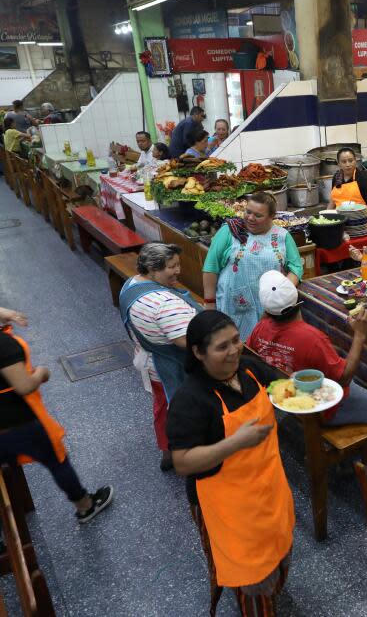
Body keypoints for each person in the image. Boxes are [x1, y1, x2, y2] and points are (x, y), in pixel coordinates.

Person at [166, 311, 294, 615]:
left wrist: (309, 390)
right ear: (198, 353)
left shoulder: (248, 371)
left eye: (236, 341)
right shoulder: (191, 399)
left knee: (280, 551)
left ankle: (273, 592)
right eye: (222, 347)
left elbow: (283, 387)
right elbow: (182, 462)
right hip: (226, 505)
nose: (234, 350)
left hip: (268, 485)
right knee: (250, 576)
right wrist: (235, 443)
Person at [248, 271, 367, 445]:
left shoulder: (260, 328)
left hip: (288, 397)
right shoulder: (312, 339)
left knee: (354, 376)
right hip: (323, 407)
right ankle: (359, 461)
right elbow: (345, 379)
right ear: (297, 299)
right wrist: (360, 335)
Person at [0, 307, 114, 523]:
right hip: (18, 422)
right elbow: (23, 386)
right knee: (57, 461)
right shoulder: (4, 345)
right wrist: (41, 373)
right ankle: (85, 506)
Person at [118, 243, 202, 471]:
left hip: (147, 359)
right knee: (178, 410)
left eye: (178, 264)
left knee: (162, 407)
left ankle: (167, 450)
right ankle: (185, 454)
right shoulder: (163, 303)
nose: (178, 271)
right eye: (171, 267)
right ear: (152, 269)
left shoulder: (131, 285)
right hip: (168, 367)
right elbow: (186, 342)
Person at [203, 192, 303, 340]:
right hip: (233, 305)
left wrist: (280, 293)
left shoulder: (282, 236)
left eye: (258, 215)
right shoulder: (229, 231)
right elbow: (211, 267)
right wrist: (209, 303)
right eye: (248, 212)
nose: (250, 218)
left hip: (269, 308)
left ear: (271, 217)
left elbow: (296, 268)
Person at [328, 147, 367, 228]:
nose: (348, 164)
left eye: (351, 161)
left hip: (360, 224)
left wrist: (363, 220)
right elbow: (332, 201)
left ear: (355, 161)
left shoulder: (363, 177)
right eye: (344, 162)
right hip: (340, 224)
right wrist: (327, 219)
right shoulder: (337, 177)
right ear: (338, 164)